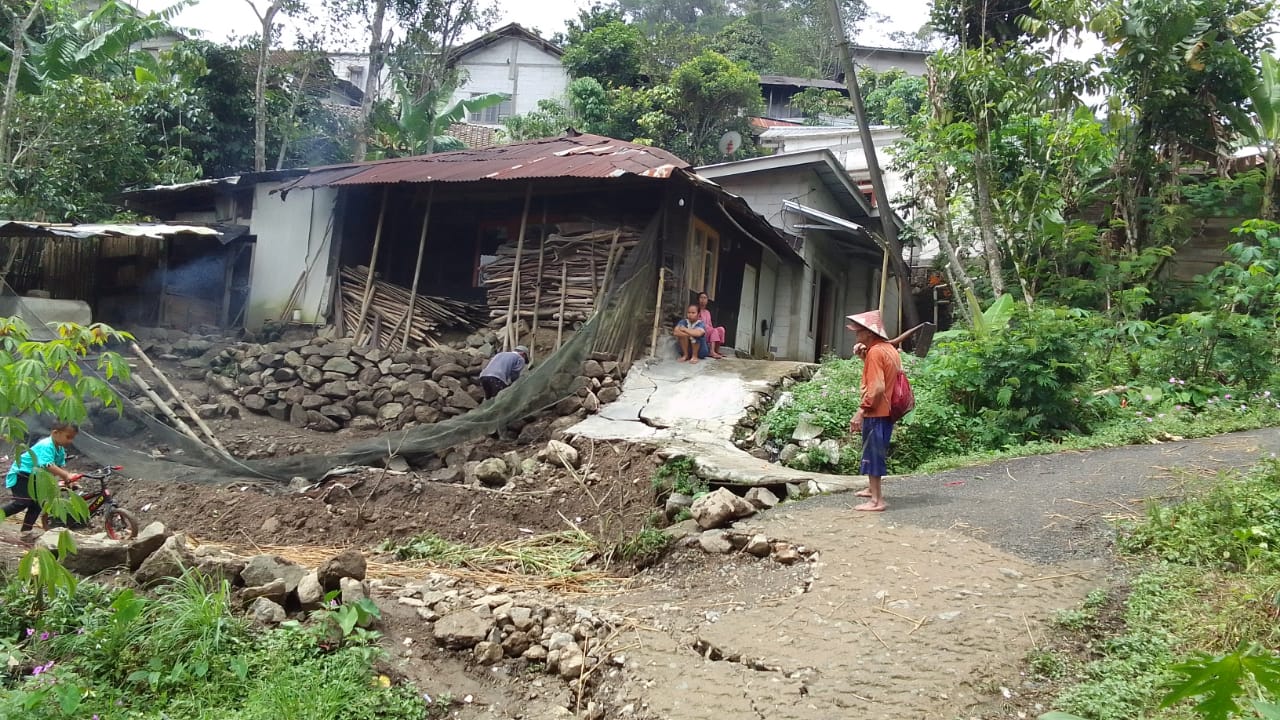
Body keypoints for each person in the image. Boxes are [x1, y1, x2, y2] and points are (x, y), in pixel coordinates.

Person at [846, 310, 901, 512]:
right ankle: (872, 490)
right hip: (886, 411)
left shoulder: (876, 353)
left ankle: (877, 501)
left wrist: (860, 411)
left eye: (858, 332)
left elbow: (877, 388)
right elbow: (884, 378)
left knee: (873, 453)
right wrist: (864, 358)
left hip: (877, 412)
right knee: (875, 450)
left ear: (869, 333)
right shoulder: (888, 350)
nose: (856, 335)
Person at [3, 423, 81, 537]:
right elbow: (48, 465)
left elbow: (59, 467)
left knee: (37, 504)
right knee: (22, 502)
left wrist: (69, 480)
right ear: (55, 433)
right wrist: (67, 475)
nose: (70, 441)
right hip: (22, 474)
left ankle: (26, 531)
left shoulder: (60, 450)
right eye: (68, 437)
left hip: (37, 478)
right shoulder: (46, 445)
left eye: (72, 438)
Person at [696, 291, 726, 359]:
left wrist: (713, 331)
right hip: (700, 331)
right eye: (701, 298)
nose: (703, 300)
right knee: (713, 330)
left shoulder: (707, 312)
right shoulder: (696, 310)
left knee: (721, 329)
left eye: (705, 298)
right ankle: (711, 352)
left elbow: (710, 324)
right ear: (698, 299)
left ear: (707, 300)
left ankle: (716, 351)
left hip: (709, 331)